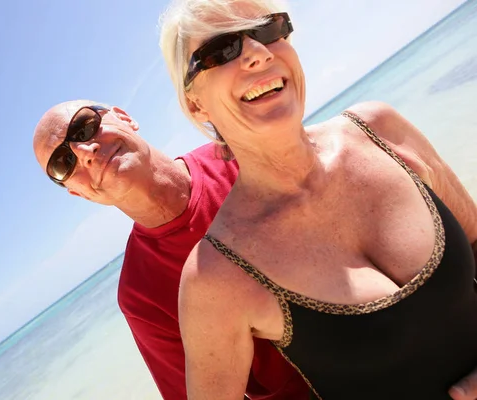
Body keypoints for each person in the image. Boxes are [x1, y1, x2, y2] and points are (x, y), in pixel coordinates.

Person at [159, 0, 477, 399]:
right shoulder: (217, 275)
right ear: (195, 103)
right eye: (221, 50)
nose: (258, 53)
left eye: (268, 31)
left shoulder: (381, 130)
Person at [32, 100, 310, 399]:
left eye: (84, 127)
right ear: (79, 193)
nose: (86, 152)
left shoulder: (244, 156)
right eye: (63, 164)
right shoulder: (139, 294)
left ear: (124, 117)